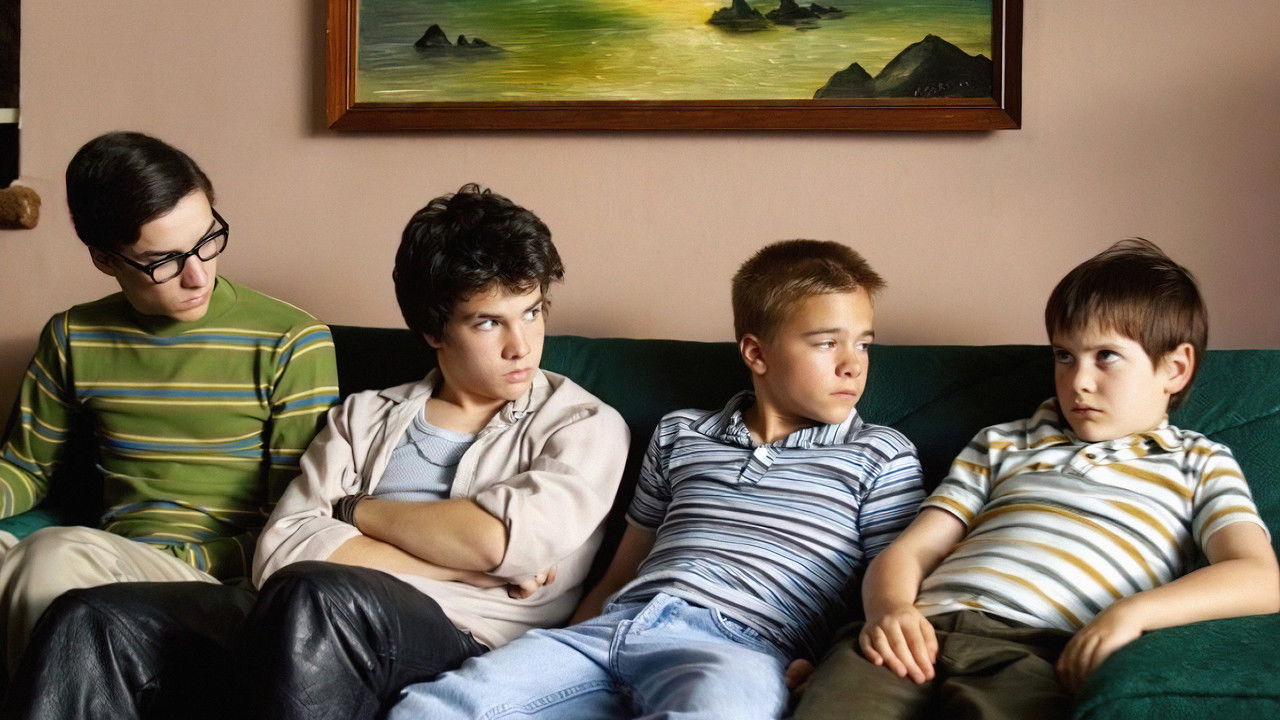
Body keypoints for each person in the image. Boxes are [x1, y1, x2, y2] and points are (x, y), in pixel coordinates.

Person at [2, 184, 630, 720]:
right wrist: (454, 558)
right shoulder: (365, 415)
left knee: (316, 594)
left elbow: (501, 543)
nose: (522, 345)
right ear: (432, 330)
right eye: (489, 322)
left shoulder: (583, 425)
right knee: (89, 617)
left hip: (463, 636)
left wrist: (355, 513)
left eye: (532, 312)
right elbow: (281, 552)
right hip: (296, 611)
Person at [388, 239, 926, 720]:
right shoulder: (680, 434)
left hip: (743, 645)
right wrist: (564, 644)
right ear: (756, 353)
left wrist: (828, 668)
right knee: (431, 707)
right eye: (827, 344)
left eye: (864, 344)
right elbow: (621, 572)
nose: (853, 365)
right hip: (617, 626)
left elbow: (885, 585)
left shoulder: (880, 454)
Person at [792, 239, 1280, 720]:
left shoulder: (1198, 461)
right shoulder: (1004, 442)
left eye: (1106, 356)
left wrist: (1130, 614)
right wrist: (890, 609)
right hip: (917, 630)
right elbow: (913, 550)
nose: (1078, 381)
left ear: (1175, 368)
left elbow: (1259, 577)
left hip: (1037, 651)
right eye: (1064, 356)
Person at [0, 131, 338, 674]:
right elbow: (25, 469)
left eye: (207, 241)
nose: (197, 275)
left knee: (50, 557)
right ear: (104, 259)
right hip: (105, 563)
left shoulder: (292, 341)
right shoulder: (73, 336)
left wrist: (178, 558)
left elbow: (297, 520)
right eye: (163, 261)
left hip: (220, 585)